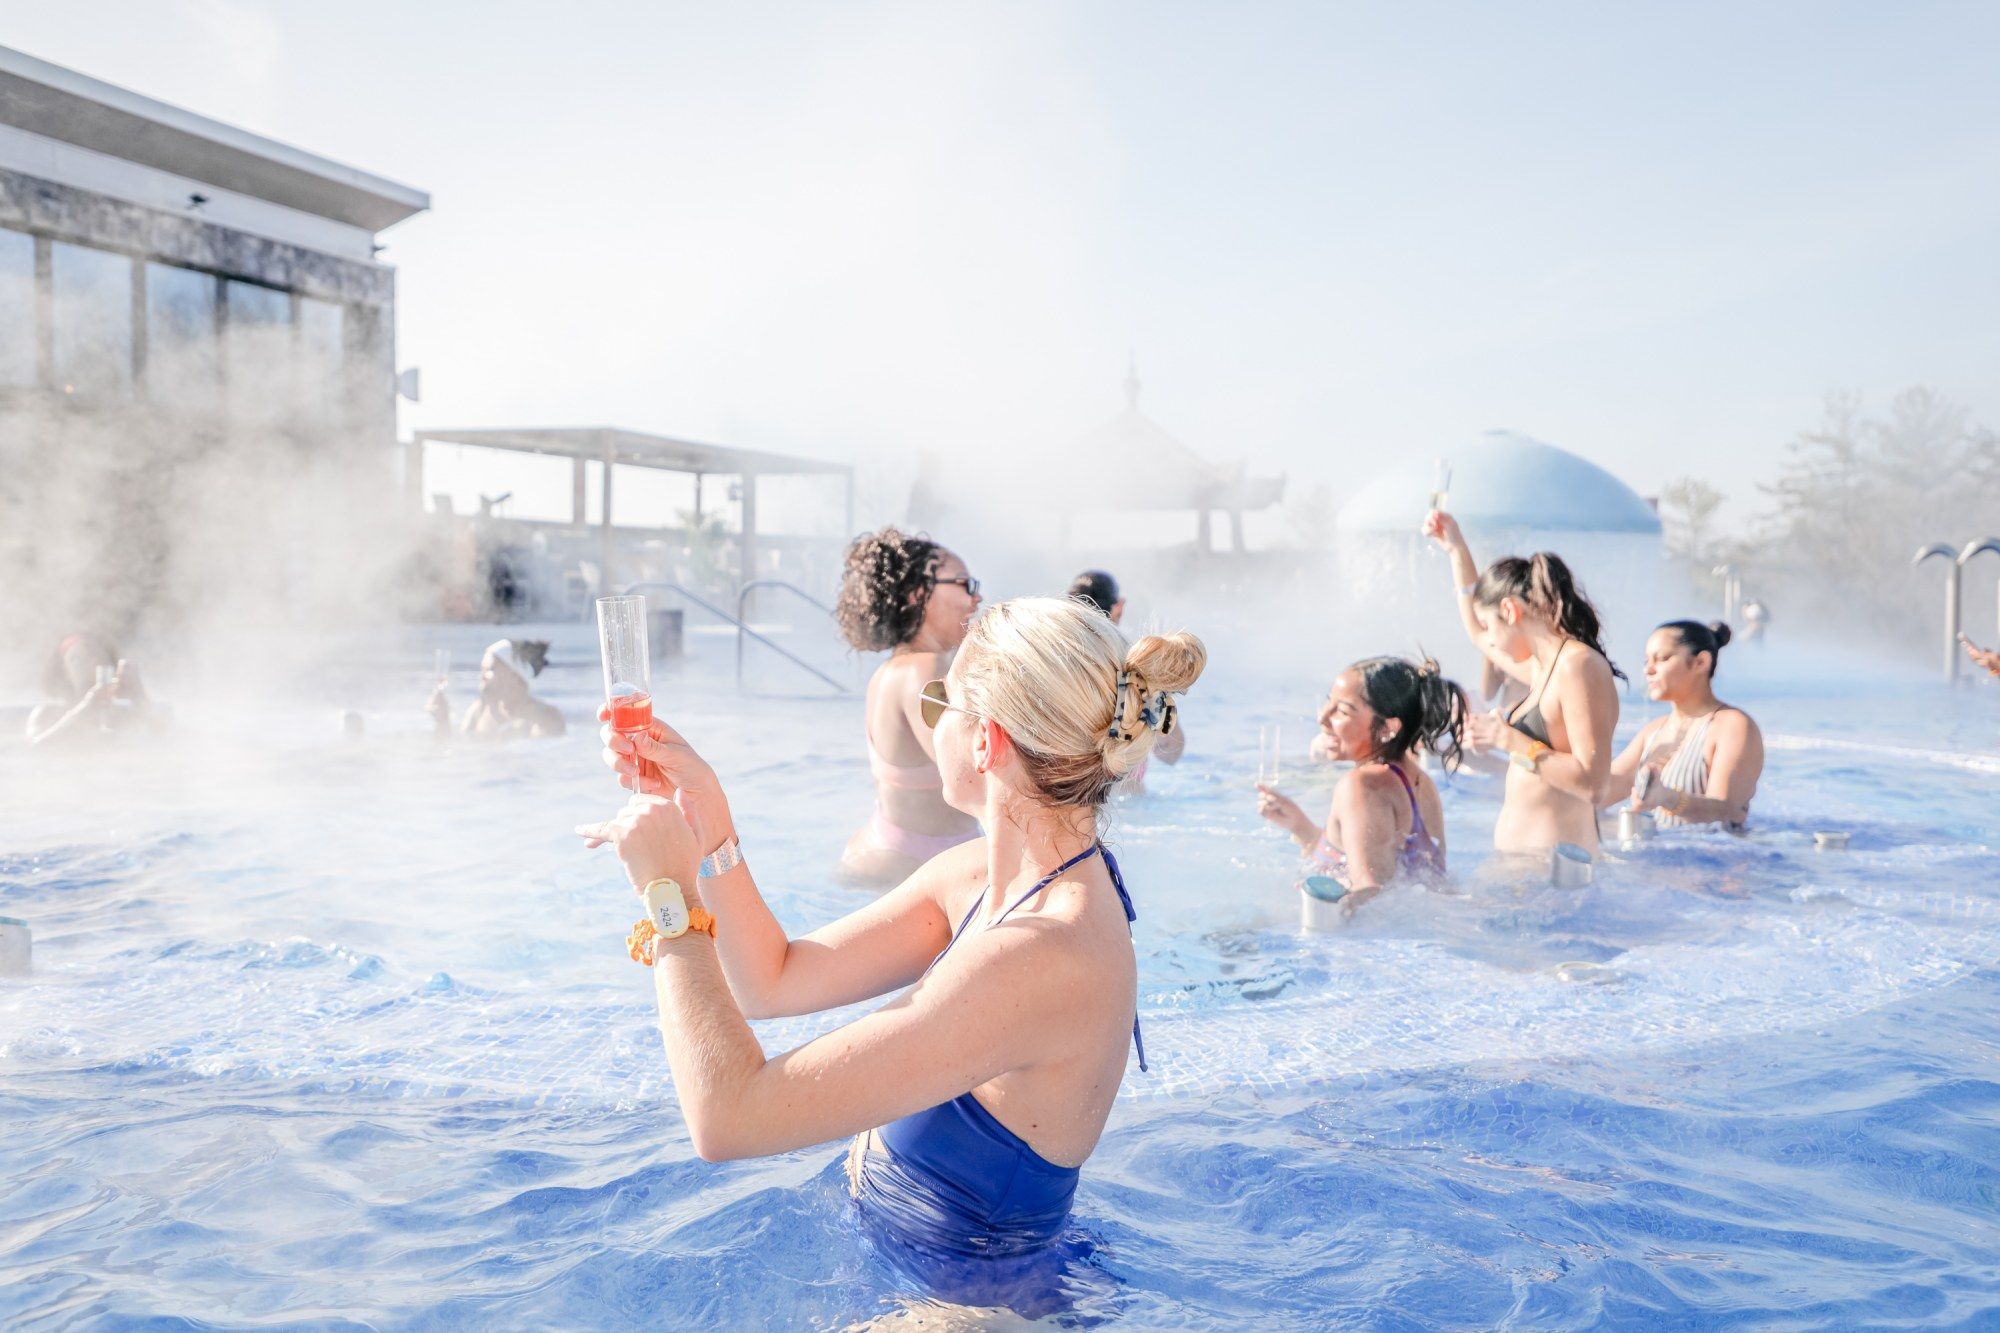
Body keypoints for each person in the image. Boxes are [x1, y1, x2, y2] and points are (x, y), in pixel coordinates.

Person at [577, 597, 1205, 1274]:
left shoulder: (1040, 954)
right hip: (910, 1256)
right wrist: (708, 823)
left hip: (972, 1305)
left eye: (943, 703)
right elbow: (769, 978)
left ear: (984, 740)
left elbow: (727, 1118)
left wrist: (666, 895)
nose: (930, 720)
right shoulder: (980, 876)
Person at [1423, 510, 1622, 857]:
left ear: (1511, 612)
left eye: (1492, 624)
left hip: (1552, 870)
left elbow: (1594, 785)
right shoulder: (1545, 667)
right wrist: (1456, 550)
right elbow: (1474, 631)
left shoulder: (1578, 667)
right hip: (1527, 866)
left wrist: (1508, 738)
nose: (1491, 641)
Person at [836, 528, 984, 884]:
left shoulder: (895, 669)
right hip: (912, 865)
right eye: (966, 584)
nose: (977, 599)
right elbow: (971, 774)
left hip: (893, 853)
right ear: (920, 594)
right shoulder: (924, 670)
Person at [1256, 657, 1461, 910]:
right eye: (1327, 701)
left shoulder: (1361, 785)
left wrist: (1320, 912)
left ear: (1388, 728)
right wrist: (1300, 827)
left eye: (1341, 711)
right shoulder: (1420, 781)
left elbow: (1371, 893)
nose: (1322, 718)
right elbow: (1400, 873)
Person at [1603, 621, 1763, 831]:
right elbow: (1603, 790)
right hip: (1659, 855)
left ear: (1701, 662)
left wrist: (1669, 799)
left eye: (1662, 659)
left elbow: (1728, 811)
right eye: (1646, 661)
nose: (1648, 670)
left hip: (1714, 859)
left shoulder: (1732, 725)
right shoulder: (1654, 731)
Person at [1068, 569, 1186, 789]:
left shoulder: (1054, 664)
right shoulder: (1134, 668)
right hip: (1129, 804)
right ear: (1119, 607)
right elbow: (1170, 752)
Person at [26, 633, 157, 747]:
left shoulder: (126, 714)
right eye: (77, 659)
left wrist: (139, 697)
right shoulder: (46, 714)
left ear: (110, 668)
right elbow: (37, 747)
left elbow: (166, 741)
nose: (89, 664)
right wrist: (85, 710)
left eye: (97, 657)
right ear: (66, 672)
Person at [455, 639, 564, 739]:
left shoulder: (546, 717)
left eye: (490, 669)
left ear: (516, 677)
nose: (482, 676)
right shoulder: (478, 711)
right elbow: (457, 749)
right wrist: (442, 721)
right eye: (482, 670)